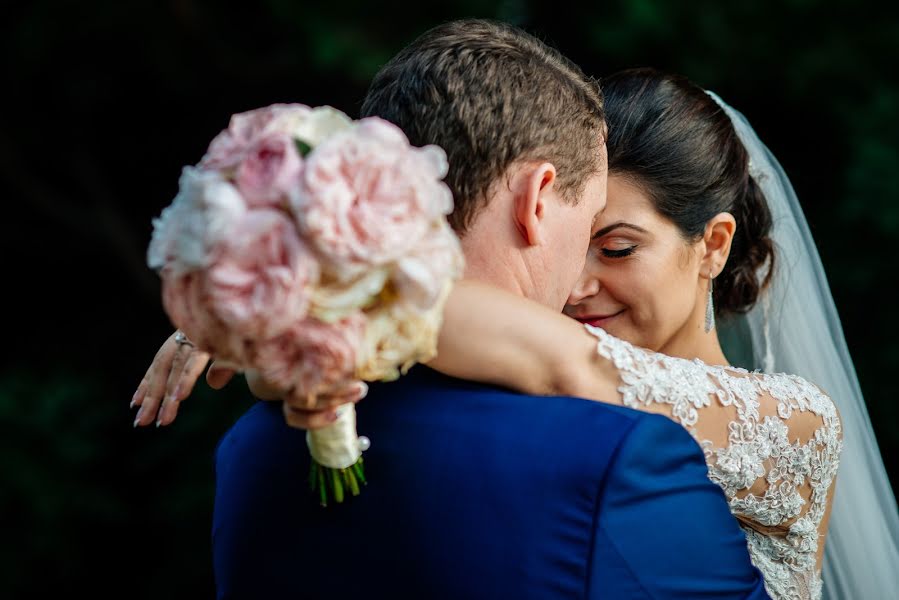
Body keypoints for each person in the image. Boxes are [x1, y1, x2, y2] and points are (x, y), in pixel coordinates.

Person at [134, 20, 769, 600]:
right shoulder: (622, 459)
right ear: (538, 197)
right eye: (591, 227)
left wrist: (270, 299)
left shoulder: (254, 444)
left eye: (619, 246)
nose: (580, 281)